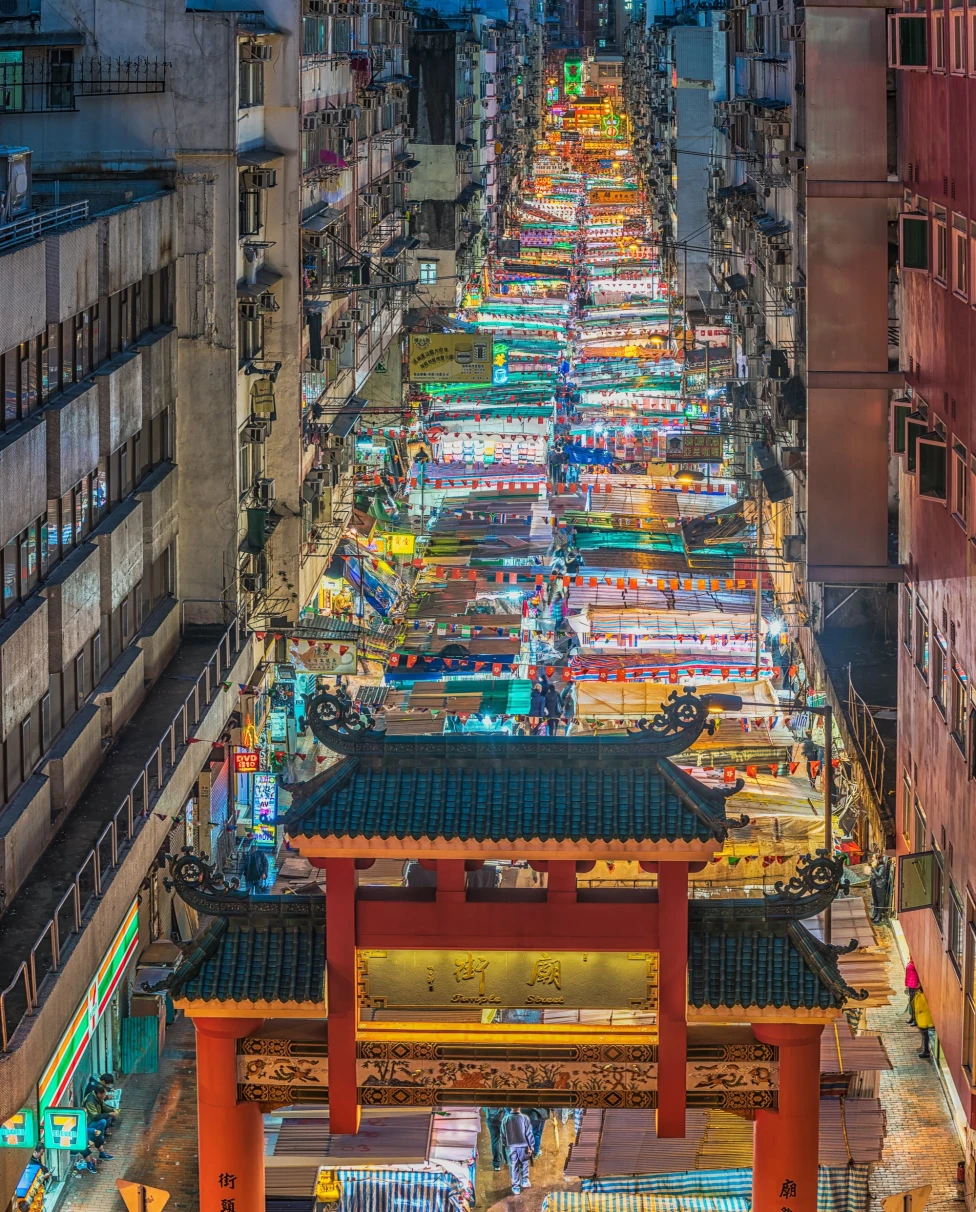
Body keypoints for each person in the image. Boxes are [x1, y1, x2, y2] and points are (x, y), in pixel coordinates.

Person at [501, 1107, 534, 1195]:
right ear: (520, 1107)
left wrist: (505, 1144)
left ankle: (515, 1187)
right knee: (524, 1163)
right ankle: (525, 1180)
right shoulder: (525, 1118)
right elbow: (529, 1133)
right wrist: (531, 1146)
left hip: (511, 1146)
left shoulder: (506, 1119)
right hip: (523, 1146)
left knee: (513, 1166)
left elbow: (503, 1134)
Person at [485, 1106, 507, 1171]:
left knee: (495, 1140)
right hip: (502, 1116)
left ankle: (496, 1164)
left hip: (490, 1116)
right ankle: (507, 1159)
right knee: (507, 1138)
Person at [915, 986, 934, 1058]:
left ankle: (926, 1051)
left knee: (925, 1035)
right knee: (925, 1035)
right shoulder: (924, 995)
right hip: (925, 1018)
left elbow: (919, 1008)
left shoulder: (922, 997)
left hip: (923, 1018)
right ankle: (925, 1050)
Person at [905, 957, 921, 1025]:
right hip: (910, 985)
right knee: (911, 1002)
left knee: (913, 1003)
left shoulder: (916, 963)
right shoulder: (912, 961)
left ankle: (914, 1019)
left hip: (914, 985)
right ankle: (912, 1018)